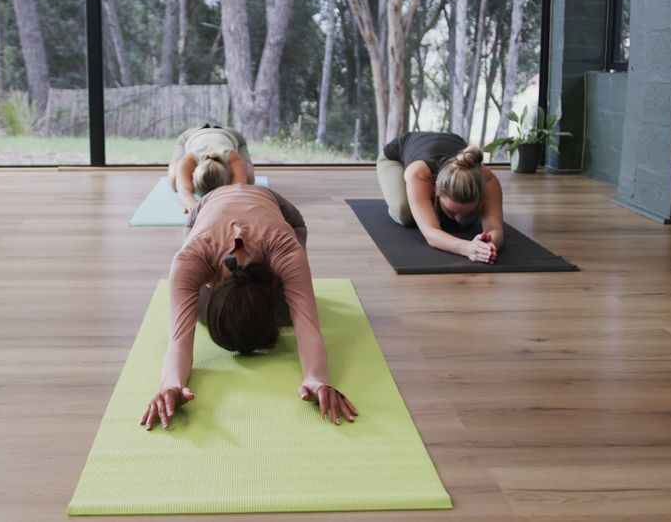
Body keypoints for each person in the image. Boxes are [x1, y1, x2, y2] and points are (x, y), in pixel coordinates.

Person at [140, 184, 357, 430]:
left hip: (280, 213)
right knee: (197, 310)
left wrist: (317, 378)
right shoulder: (189, 258)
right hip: (205, 211)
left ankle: (274, 304)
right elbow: (178, 341)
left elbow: (308, 327)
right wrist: (170, 384)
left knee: (288, 315)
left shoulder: (286, 249)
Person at [377, 131, 505, 264]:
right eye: (453, 212)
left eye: (466, 212)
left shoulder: (488, 181)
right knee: (405, 212)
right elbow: (430, 233)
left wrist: (488, 246)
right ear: (435, 188)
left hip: (449, 141)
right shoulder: (419, 175)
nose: (459, 220)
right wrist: (467, 248)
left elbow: (496, 230)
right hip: (396, 157)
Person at [167, 124, 255, 213]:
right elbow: (183, 189)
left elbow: (237, 190)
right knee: (174, 180)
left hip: (230, 135)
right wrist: (190, 203)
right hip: (192, 135)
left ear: (228, 175)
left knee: (249, 179)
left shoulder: (233, 158)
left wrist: (225, 203)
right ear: (193, 174)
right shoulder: (188, 160)